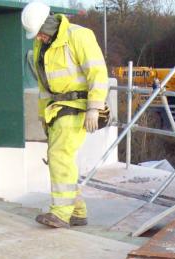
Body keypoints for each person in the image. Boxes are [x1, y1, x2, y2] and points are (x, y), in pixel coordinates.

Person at [21, 2, 109, 228]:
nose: (38, 38)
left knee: (60, 156)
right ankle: (77, 212)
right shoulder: (41, 44)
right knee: (62, 160)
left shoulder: (78, 36)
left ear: (49, 23)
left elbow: (98, 73)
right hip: (56, 109)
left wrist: (94, 107)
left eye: (40, 32)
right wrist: (43, 117)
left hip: (78, 105)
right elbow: (44, 86)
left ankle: (61, 212)